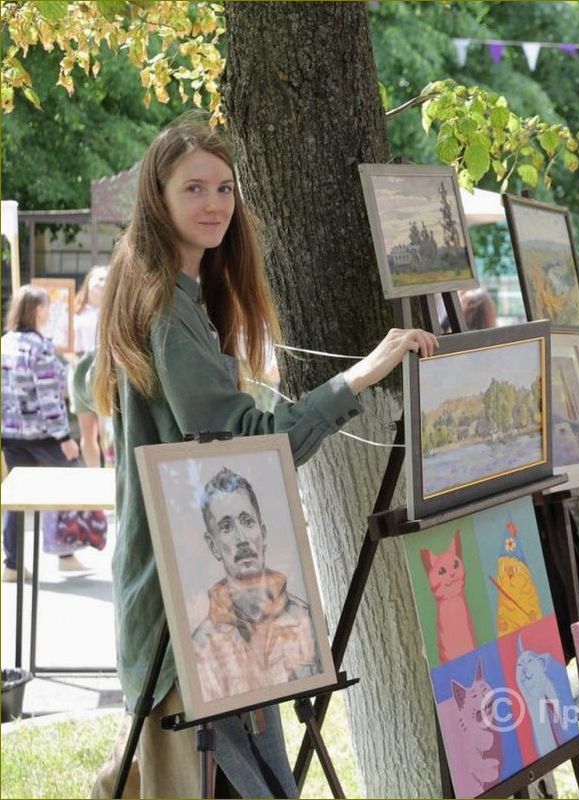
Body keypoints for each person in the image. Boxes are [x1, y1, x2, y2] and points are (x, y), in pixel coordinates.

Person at [87, 114, 438, 799]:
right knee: (215, 778)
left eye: (224, 188)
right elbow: (250, 447)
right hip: (181, 606)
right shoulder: (165, 308)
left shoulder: (167, 290)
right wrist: (359, 378)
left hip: (192, 592)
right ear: (157, 200)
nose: (215, 203)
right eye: (193, 189)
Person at [191, 467, 318, 701]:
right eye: (226, 527)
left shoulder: (304, 620)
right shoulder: (202, 644)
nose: (241, 538)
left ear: (263, 532)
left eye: (247, 521)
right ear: (213, 545)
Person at [2, 285, 88, 581]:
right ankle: (65, 554)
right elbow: (49, 397)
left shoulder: (5, 343)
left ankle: (12, 563)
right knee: (67, 486)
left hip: (11, 434)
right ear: (38, 310)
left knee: (18, 497)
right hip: (44, 434)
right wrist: (64, 437)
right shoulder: (39, 347)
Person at [72, 265, 108, 467]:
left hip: (104, 373)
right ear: (88, 283)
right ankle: (92, 471)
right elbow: (65, 343)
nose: (102, 283)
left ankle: (110, 470)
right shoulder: (76, 312)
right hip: (78, 371)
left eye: (106, 279)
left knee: (107, 429)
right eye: (99, 279)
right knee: (87, 430)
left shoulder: (114, 311)